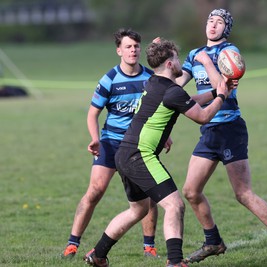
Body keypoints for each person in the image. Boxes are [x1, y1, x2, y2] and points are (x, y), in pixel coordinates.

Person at [83, 39, 231, 267]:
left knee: (138, 209)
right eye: (177, 58)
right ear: (171, 64)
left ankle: (98, 254)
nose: (181, 62)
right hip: (139, 155)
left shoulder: (154, 82)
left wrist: (216, 92)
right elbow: (201, 116)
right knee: (174, 205)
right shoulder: (171, 91)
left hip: (124, 153)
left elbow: (187, 101)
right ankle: (174, 262)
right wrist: (221, 97)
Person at [176, 8, 267, 267]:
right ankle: (213, 241)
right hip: (209, 130)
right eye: (210, 19)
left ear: (227, 28)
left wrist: (207, 63)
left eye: (219, 21)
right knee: (190, 191)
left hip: (230, 128)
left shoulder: (229, 53)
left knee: (243, 193)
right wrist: (160, 71)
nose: (213, 24)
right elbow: (177, 85)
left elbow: (223, 89)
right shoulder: (193, 54)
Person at [61, 28, 163, 259]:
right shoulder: (110, 80)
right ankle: (72, 244)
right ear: (119, 51)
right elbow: (92, 113)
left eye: (136, 46)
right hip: (110, 142)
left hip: (139, 145)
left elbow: (157, 110)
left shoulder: (149, 78)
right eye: (128, 46)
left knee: (149, 194)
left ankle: (149, 247)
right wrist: (95, 138)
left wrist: (163, 135)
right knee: (95, 191)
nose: (133, 50)